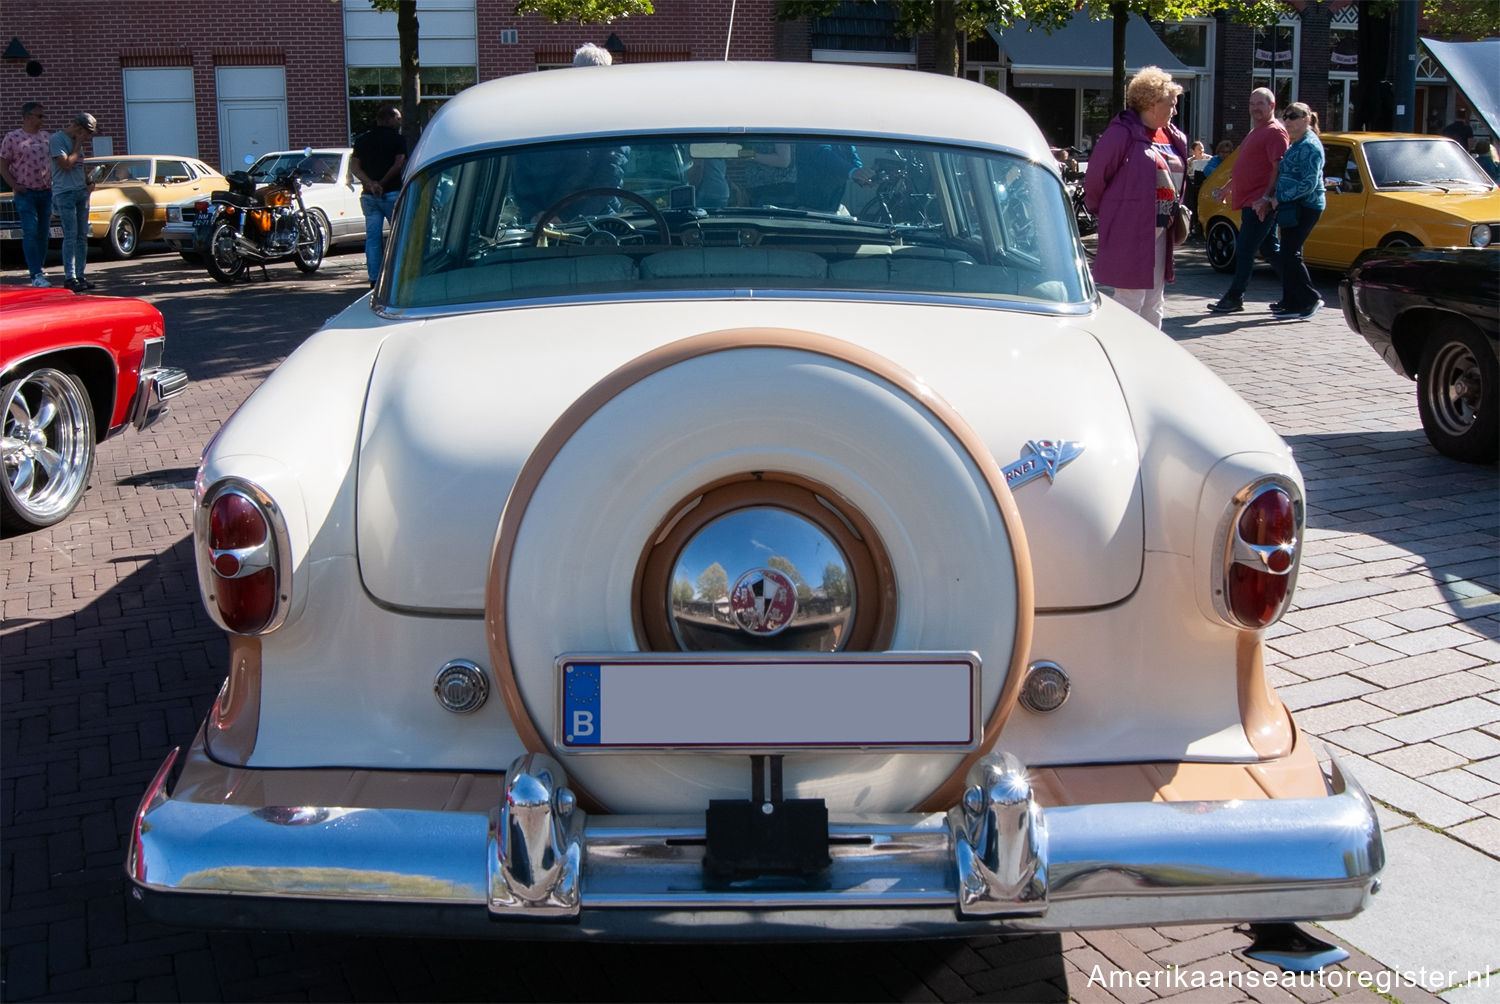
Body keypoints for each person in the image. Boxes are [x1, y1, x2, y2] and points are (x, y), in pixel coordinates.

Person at [1083, 65, 1190, 329]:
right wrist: (1112, 214)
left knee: (1155, 298)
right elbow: (1095, 180)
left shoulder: (1174, 136)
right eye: (1171, 103)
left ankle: (1151, 356)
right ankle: (1123, 354)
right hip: (1130, 227)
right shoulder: (1122, 133)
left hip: (1161, 228)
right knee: (1130, 299)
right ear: (1152, 103)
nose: (1175, 110)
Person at [511, 43, 627, 220]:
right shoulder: (614, 119)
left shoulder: (543, 116)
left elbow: (521, 169)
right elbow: (610, 177)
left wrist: (536, 214)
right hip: (594, 224)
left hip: (546, 222)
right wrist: (556, 217)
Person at [1206, 88, 1289, 314]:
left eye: (1260, 103)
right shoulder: (1256, 131)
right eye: (1252, 103)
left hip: (1259, 203)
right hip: (1250, 201)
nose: (1254, 108)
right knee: (1270, 249)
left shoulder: (1275, 132)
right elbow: (1246, 166)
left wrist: (1265, 198)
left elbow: (1278, 168)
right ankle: (1300, 292)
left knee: (1244, 249)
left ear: (1272, 106)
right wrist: (1227, 187)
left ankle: (1235, 296)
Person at [1268, 103, 1326, 320]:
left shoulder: (1310, 146)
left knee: (1290, 254)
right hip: (1292, 206)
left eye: (1293, 117)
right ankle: (1290, 302)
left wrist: (1279, 198)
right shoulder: (1296, 143)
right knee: (1288, 253)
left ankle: (1311, 298)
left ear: (1307, 119)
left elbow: (1309, 183)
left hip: (1307, 206)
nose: (1288, 121)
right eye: (1286, 117)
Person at [351, 103, 407, 286]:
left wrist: (370, 184)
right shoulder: (397, 140)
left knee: (372, 238)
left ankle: (374, 278)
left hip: (368, 196)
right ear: (388, 119)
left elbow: (355, 167)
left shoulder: (362, 140)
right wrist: (381, 184)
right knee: (399, 235)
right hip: (391, 193)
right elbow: (399, 164)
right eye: (397, 118)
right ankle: (399, 276)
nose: (399, 122)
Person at [0, 102, 53, 287]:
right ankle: (35, 274)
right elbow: (3, 165)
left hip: (45, 191)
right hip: (25, 192)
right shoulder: (13, 138)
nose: (42, 120)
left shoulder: (47, 137)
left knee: (43, 233)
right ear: (28, 116)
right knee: (30, 231)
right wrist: (14, 185)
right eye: (39, 116)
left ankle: (40, 268)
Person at [50, 112, 96, 292]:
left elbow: (79, 164)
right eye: (87, 133)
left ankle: (81, 275)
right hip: (65, 192)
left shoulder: (80, 144)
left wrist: (88, 182)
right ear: (79, 128)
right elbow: (66, 164)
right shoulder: (57, 139)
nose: (88, 137)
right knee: (70, 235)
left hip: (80, 192)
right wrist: (77, 143)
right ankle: (70, 277)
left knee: (82, 236)